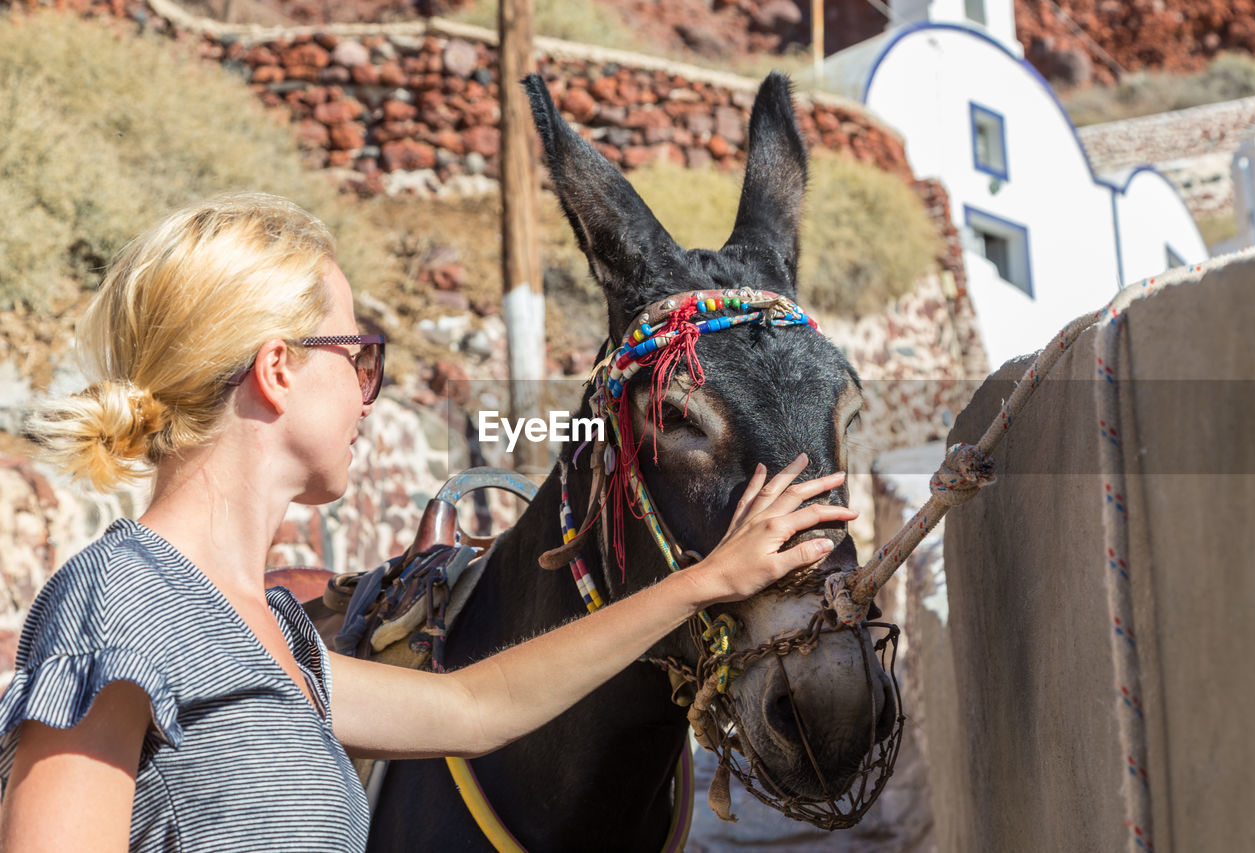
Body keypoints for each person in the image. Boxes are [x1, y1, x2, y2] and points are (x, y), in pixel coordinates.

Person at [0, 192, 855, 852]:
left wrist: (703, 582)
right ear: (277, 370)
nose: (373, 391)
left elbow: (478, 707)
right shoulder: (115, 611)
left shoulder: (283, 637)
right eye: (358, 355)